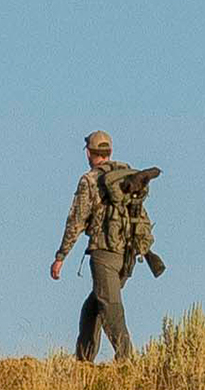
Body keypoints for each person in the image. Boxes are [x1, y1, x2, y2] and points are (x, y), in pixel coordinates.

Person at [50, 131, 163, 363]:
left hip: (104, 253)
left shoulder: (90, 180)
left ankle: (126, 362)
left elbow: (76, 221)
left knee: (110, 308)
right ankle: (83, 365)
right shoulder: (127, 174)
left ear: (89, 153)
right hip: (129, 254)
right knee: (92, 308)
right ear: (109, 152)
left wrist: (61, 256)